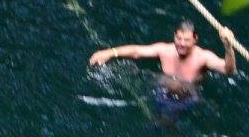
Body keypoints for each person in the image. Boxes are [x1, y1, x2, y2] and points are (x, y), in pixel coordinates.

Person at [88, 20, 236, 122]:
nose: (181, 44)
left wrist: (228, 47)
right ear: (174, 36)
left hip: (187, 98)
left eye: (186, 40)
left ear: (195, 39)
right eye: (179, 38)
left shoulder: (203, 57)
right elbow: (137, 51)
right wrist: (109, 52)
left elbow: (228, 70)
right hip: (161, 91)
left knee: (163, 122)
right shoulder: (165, 50)